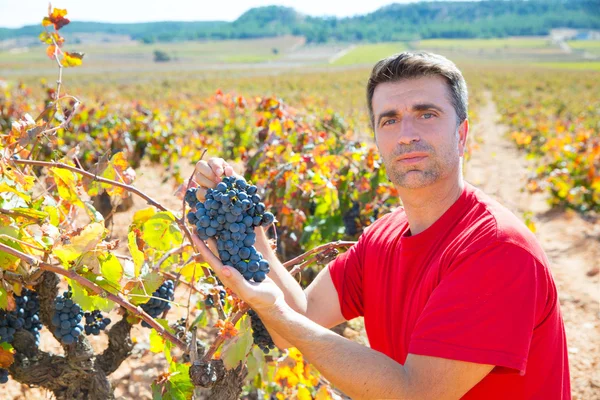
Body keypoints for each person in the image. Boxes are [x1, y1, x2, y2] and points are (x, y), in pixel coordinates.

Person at [192, 51, 570, 399]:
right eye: (390, 120)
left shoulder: (497, 249)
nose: (407, 134)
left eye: (427, 114)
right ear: (377, 139)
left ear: (462, 133)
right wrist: (242, 217)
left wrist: (278, 314)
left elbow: (417, 393)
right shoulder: (382, 237)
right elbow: (299, 317)